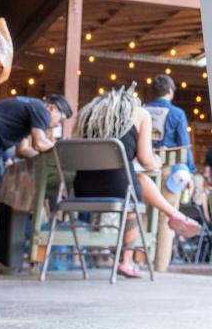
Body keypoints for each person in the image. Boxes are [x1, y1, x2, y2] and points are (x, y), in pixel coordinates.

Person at [72, 86, 202, 279]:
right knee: (134, 191)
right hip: (121, 190)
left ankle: (174, 214)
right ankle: (127, 261)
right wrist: (156, 161)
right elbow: (146, 160)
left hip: (82, 187)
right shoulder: (140, 114)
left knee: (138, 179)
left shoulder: (87, 116)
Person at [0, 94, 70, 274]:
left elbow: (23, 149)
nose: (58, 124)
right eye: (61, 119)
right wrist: (65, 155)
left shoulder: (27, 108)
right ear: (53, 108)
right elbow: (40, 143)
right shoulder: (41, 109)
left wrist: (44, 157)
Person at [147, 75, 190, 166]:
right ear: (170, 91)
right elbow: (184, 145)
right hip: (170, 165)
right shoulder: (178, 113)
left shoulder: (142, 111)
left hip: (146, 163)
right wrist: (191, 169)